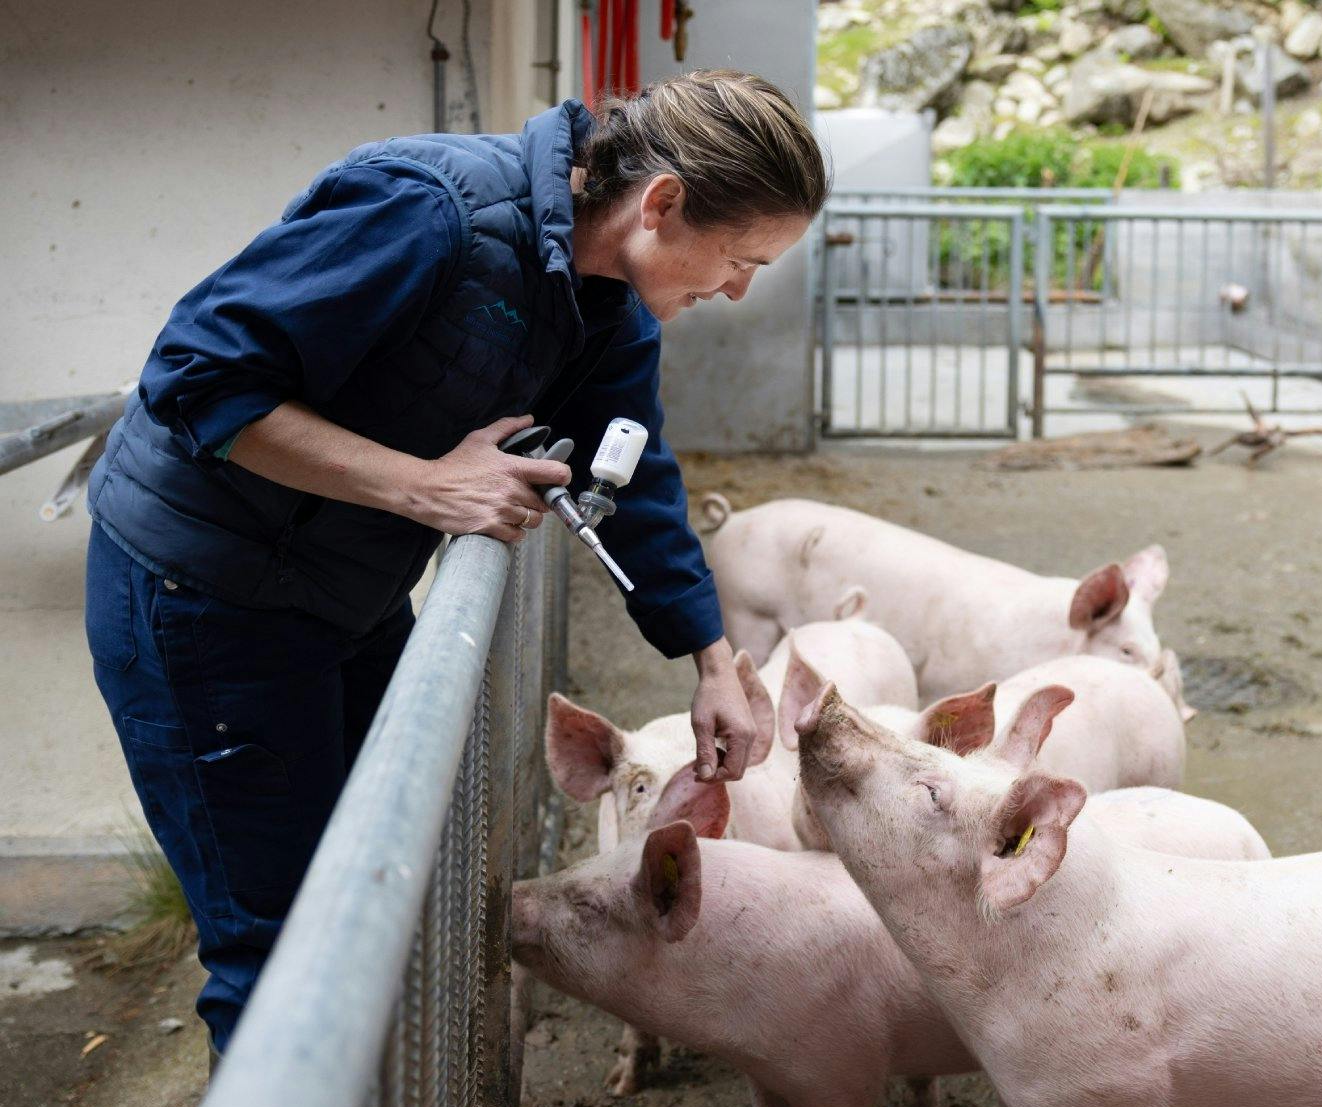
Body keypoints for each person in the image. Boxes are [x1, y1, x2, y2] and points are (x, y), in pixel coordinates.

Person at [80, 69, 828, 1056]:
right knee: (279, 940)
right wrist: (421, 486)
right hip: (200, 589)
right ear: (662, 203)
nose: (734, 289)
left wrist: (713, 663)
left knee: (377, 880)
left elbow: (633, 479)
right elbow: (199, 379)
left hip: (341, 584)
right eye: (740, 260)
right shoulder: (428, 212)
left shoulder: (608, 306)